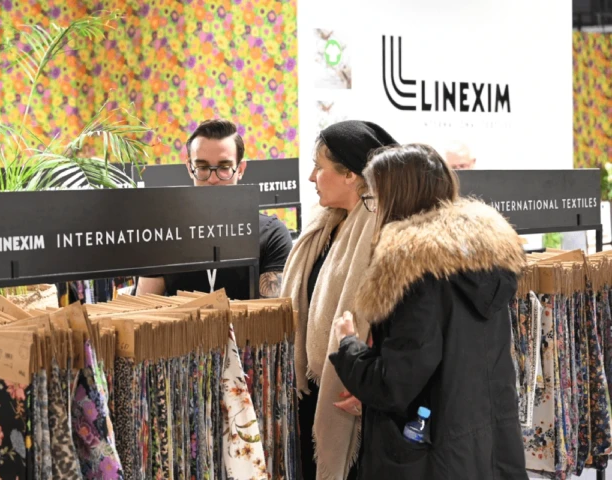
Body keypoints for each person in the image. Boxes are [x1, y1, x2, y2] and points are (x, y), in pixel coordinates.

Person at [329, 144, 527, 479]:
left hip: (426, 459)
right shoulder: (482, 263)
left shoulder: (415, 272)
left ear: (397, 199)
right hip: (481, 451)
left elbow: (394, 384)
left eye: (374, 198)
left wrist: (349, 346)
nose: (373, 210)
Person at [280, 120, 399, 479]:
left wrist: (368, 382)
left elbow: (395, 322)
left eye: (319, 167)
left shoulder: (383, 229)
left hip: (355, 392)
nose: (311, 177)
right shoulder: (325, 225)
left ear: (350, 175)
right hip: (313, 389)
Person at [136, 119, 292, 300]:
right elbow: (144, 306)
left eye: (224, 167)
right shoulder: (163, 234)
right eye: (202, 167)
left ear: (240, 169)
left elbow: (273, 312)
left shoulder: (272, 234)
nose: (212, 179)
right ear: (190, 168)